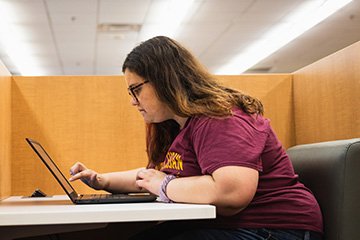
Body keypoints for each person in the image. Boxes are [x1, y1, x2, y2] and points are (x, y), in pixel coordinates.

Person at [69, 36, 323, 240]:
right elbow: (149, 178)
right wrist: (101, 180)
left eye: (136, 89)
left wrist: (164, 186)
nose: (133, 101)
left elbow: (232, 193)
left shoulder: (221, 117)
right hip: (237, 226)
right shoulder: (180, 125)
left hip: (277, 228)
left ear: (164, 80)